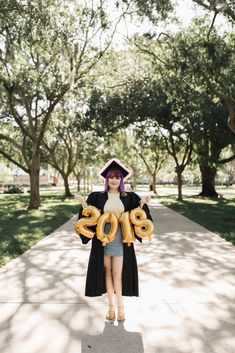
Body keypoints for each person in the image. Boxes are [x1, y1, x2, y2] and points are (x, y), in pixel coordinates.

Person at [75, 158, 153, 322]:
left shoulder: (129, 196)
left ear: (121, 180)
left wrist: (144, 203)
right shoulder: (97, 196)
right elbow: (89, 214)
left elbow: (137, 213)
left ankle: (121, 308)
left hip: (121, 239)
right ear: (106, 179)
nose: (114, 180)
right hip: (102, 240)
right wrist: (82, 202)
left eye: (118, 177)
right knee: (107, 274)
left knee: (118, 275)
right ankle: (110, 308)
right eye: (111, 177)